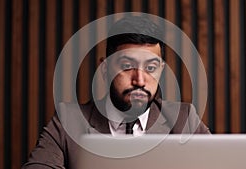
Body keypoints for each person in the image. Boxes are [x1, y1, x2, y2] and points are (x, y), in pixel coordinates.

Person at [22, 15, 210, 169]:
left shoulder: (184, 119)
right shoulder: (68, 120)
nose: (140, 81)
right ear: (105, 69)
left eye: (151, 68)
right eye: (127, 66)